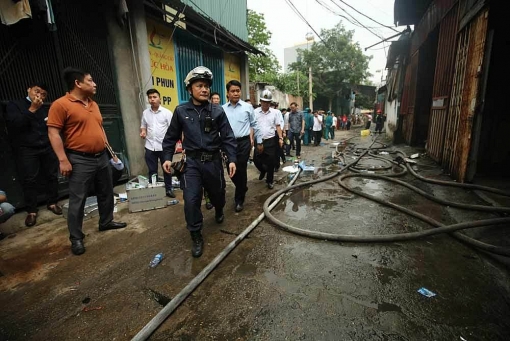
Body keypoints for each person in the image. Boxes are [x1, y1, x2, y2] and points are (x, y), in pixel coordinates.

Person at [47, 67, 127, 256]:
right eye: (90, 80)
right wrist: (63, 159)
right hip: (79, 159)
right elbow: (53, 133)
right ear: (78, 83)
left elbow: (100, 130)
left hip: (102, 157)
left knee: (106, 192)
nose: (94, 84)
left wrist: (111, 152)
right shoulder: (61, 105)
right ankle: (76, 238)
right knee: (78, 199)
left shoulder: (93, 104)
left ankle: (106, 222)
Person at [161, 66, 237, 258]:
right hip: (192, 163)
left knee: (218, 194)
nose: (204, 89)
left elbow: (228, 137)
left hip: (213, 162)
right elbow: (171, 138)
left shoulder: (218, 111)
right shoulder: (181, 111)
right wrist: (167, 158)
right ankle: (196, 235)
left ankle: (219, 208)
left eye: (207, 86)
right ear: (190, 89)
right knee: (191, 200)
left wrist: (232, 160)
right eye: (200, 85)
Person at [5, 82, 62, 227]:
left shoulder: (45, 108)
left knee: (51, 175)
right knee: (29, 179)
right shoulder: (15, 105)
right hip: (26, 149)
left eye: (43, 94)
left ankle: (53, 202)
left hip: (46, 146)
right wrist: (32, 109)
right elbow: (15, 125)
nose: (39, 96)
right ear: (28, 89)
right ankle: (31, 210)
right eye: (37, 91)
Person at [222, 80, 260, 212]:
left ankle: (239, 199)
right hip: (228, 144)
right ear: (228, 93)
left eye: (238, 90)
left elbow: (254, 124)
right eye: (233, 91)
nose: (236, 93)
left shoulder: (247, 107)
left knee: (241, 167)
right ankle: (242, 187)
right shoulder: (222, 109)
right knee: (231, 171)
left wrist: (258, 141)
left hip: (243, 142)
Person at [140, 89, 175, 198]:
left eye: (154, 97)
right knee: (152, 170)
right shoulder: (145, 113)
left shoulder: (167, 113)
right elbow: (143, 126)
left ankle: (169, 189)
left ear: (159, 98)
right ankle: (154, 190)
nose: (152, 99)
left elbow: (173, 129)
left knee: (167, 169)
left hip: (164, 147)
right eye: (150, 97)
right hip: (150, 146)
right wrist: (143, 132)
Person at [253, 90, 284, 189]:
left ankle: (269, 181)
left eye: (267, 102)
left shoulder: (275, 113)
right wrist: (251, 139)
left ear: (270, 103)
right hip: (258, 140)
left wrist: (280, 138)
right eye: (263, 101)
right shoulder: (255, 112)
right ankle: (262, 170)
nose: (265, 104)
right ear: (260, 101)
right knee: (256, 159)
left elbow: (278, 126)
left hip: (270, 140)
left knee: (271, 161)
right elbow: (252, 126)